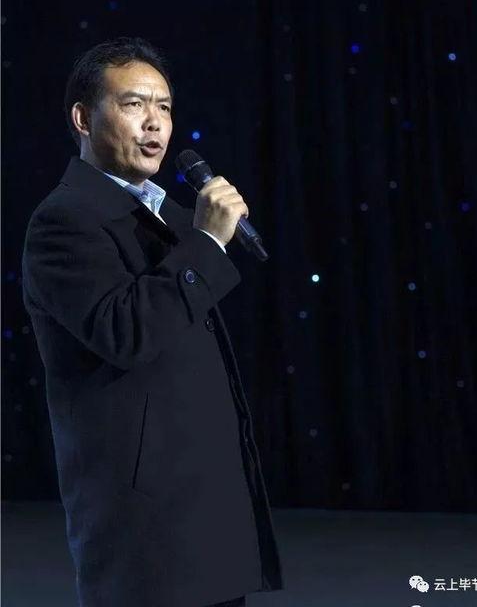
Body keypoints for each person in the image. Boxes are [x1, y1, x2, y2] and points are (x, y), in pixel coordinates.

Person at [21, 37, 283, 607]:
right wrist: (207, 244)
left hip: (205, 501)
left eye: (163, 106)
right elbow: (125, 333)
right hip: (145, 521)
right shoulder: (64, 221)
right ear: (83, 119)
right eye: (134, 104)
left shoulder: (171, 216)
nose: (154, 122)